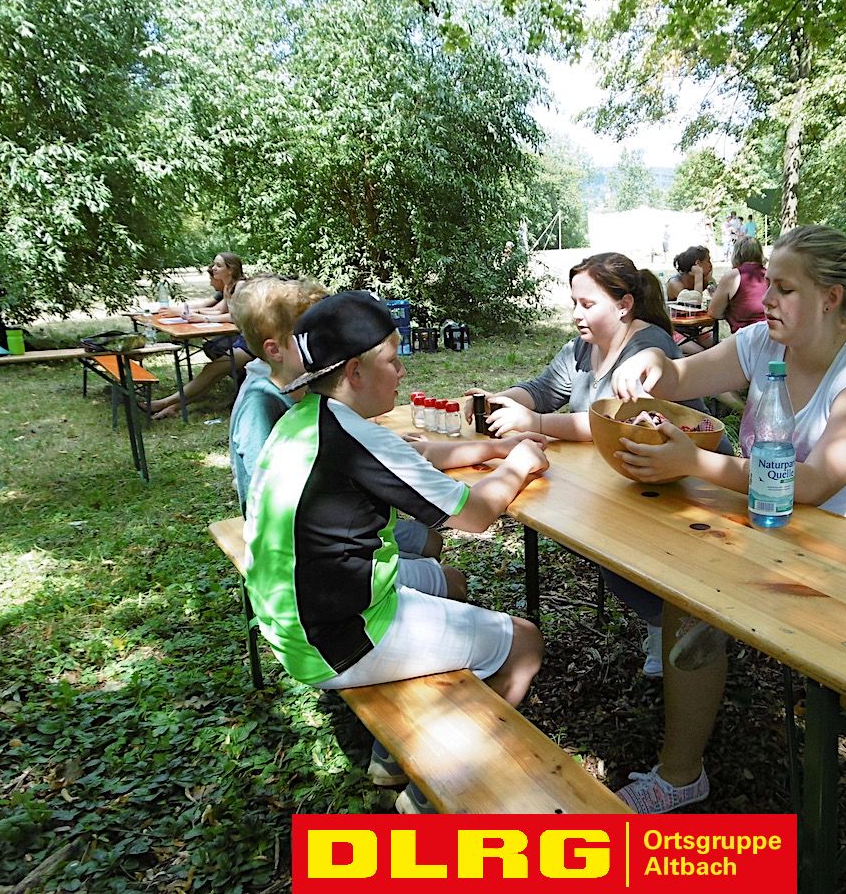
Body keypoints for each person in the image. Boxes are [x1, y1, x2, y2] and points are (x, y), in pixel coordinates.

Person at [609, 224, 846, 812]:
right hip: (779, 532)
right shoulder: (764, 343)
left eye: (785, 289)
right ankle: (683, 773)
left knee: (693, 597)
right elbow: (681, 377)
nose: (766, 299)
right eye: (769, 283)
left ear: (830, 297)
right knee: (683, 585)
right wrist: (653, 358)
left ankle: (685, 766)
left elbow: (816, 481)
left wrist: (695, 463)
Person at [244, 290, 550, 814]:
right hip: (334, 637)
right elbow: (477, 515)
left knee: (450, 583)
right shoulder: (356, 439)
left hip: (291, 614)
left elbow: (413, 458)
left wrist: (497, 449)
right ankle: (434, 792)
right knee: (524, 643)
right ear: (355, 372)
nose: (402, 371)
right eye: (392, 358)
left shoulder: (308, 419)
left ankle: (391, 755)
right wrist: (519, 464)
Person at [465, 252, 727, 677]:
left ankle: (671, 620)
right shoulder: (582, 349)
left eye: (587, 304)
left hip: (694, 481)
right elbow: (543, 389)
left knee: (601, 533)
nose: (576, 314)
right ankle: (665, 617)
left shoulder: (648, 347)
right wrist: (499, 400)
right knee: (578, 527)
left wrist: (535, 422)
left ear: (624, 305)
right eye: (574, 303)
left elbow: (618, 422)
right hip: (633, 475)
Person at [227, 274, 444, 565]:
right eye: (308, 338)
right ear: (274, 350)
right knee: (437, 564)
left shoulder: (305, 388)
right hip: (300, 542)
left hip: (337, 522)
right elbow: (270, 493)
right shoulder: (259, 403)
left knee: (430, 540)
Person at [150, 252, 252, 419]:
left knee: (212, 369)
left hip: (252, 341)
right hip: (243, 338)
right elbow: (219, 310)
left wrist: (204, 318)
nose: (213, 268)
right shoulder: (228, 286)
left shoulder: (241, 286)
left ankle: (164, 403)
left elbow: (237, 316)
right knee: (213, 371)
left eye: (218, 265)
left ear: (231, 269)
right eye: (214, 264)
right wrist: (191, 314)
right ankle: (173, 406)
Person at [708, 236, 767, 333]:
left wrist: (728, 309)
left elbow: (714, 313)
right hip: (770, 334)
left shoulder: (733, 276)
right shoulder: (769, 274)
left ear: (736, 253)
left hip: (745, 336)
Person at [666, 246, 716, 354]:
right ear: (698, 263)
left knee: (717, 348)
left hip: (695, 328)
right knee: (701, 354)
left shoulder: (705, 280)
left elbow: (718, 298)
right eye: (708, 261)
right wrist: (698, 275)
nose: (711, 265)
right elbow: (693, 303)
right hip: (675, 330)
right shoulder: (675, 283)